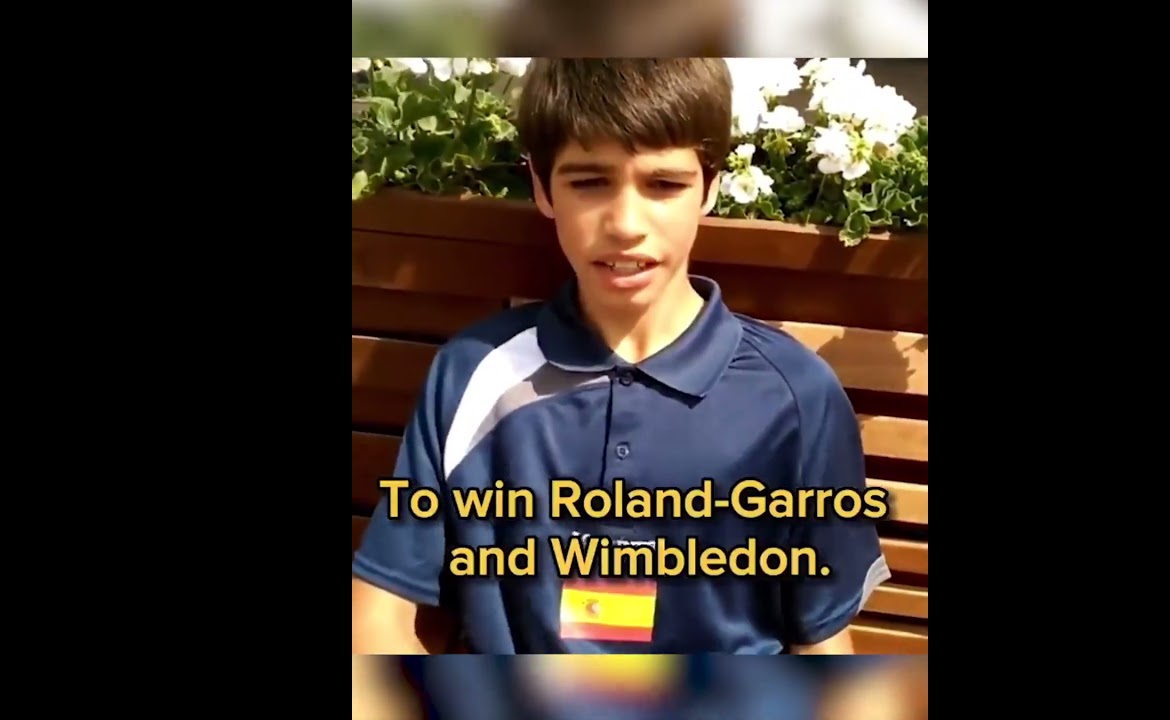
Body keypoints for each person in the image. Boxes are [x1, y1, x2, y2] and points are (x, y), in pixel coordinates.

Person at [350, 58, 890, 655]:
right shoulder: (475, 374)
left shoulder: (796, 396)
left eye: (664, 185)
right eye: (589, 183)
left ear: (711, 186)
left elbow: (822, 649)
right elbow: (376, 620)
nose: (626, 224)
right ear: (542, 187)